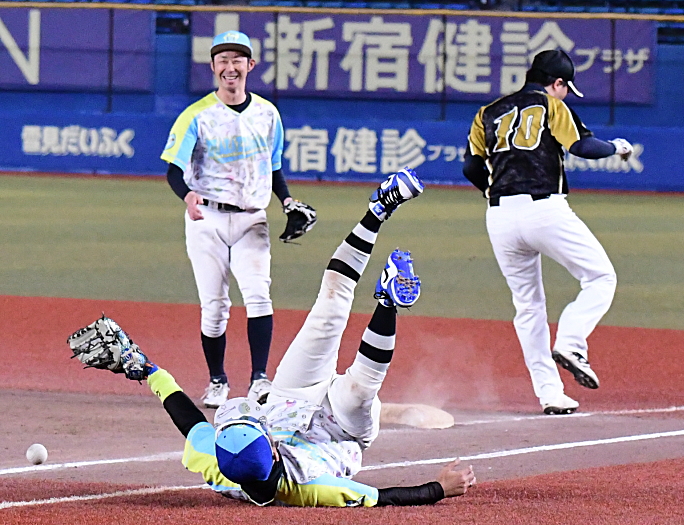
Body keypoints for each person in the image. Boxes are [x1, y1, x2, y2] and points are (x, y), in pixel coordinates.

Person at [67, 168, 476, 507]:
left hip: (291, 397)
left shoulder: (220, 463)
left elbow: (188, 421)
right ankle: (387, 304)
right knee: (360, 388)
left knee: (329, 307)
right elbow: (382, 497)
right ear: (273, 451)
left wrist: (148, 371)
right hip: (343, 430)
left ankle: (378, 210)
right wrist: (440, 488)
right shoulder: (312, 487)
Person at [462, 49, 633, 415]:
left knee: (528, 307)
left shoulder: (487, 112)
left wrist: (497, 192)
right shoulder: (551, 106)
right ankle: (571, 343)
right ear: (556, 83)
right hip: (544, 209)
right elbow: (582, 146)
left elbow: (471, 168)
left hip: (499, 216)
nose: (566, 93)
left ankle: (550, 394)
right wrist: (617, 146)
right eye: (566, 87)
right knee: (600, 277)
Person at [160, 30, 316, 408]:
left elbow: (273, 167)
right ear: (213, 67)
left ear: (250, 65)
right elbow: (174, 171)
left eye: (237, 60)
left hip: (252, 219)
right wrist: (188, 195)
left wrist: (287, 201)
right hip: (207, 219)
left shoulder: (268, 114)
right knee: (214, 307)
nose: (230, 67)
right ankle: (217, 380)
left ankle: (260, 379)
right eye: (223, 60)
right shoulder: (196, 115)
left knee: (259, 296)